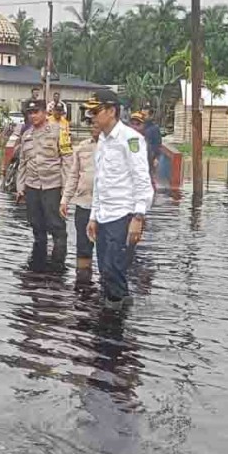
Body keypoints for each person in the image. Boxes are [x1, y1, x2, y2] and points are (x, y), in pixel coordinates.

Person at [83, 90, 154, 310]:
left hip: (123, 215)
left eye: (95, 111)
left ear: (112, 111)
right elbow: (100, 182)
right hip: (104, 214)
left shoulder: (131, 139)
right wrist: (93, 216)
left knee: (112, 267)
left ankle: (115, 320)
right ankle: (118, 313)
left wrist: (138, 216)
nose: (91, 116)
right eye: (90, 112)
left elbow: (142, 180)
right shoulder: (102, 141)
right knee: (105, 271)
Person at [16, 98, 73, 264]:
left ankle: (58, 265)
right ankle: (38, 265)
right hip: (32, 186)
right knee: (36, 225)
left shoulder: (58, 131)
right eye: (30, 113)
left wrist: (66, 189)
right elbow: (23, 164)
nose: (33, 116)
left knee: (56, 226)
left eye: (36, 112)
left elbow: (67, 159)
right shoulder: (26, 135)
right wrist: (20, 188)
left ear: (44, 113)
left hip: (52, 185)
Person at [61, 110, 100, 281]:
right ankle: (83, 285)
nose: (93, 126)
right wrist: (65, 199)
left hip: (108, 208)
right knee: (83, 248)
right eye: (90, 123)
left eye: (96, 122)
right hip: (84, 204)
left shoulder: (115, 146)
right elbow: (74, 175)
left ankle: (108, 289)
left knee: (108, 250)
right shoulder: (83, 147)